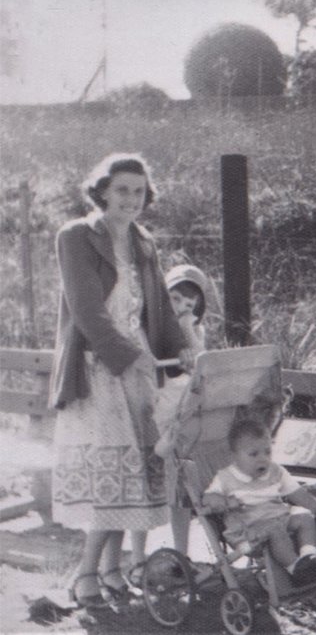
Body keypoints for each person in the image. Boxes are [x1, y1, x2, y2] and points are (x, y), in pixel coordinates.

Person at [49, 153, 195, 608]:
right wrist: (129, 358)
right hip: (97, 367)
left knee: (131, 475)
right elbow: (87, 311)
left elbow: (160, 310)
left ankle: (112, 572)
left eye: (138, 191)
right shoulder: (76, 236)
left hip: (139, 367)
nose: (131, 199)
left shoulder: (143, 241)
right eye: (122, 190)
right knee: (112, 473)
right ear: (103, 192)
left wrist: (181, 345)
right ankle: (85, 575)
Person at [128, 263, 212, 586]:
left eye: (190, 305)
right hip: (149, 413)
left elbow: (200, 366)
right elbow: (142, 362)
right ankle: (137, 560)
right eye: (176, 298)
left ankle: (181, 555)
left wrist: (188, 329)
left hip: (178, 418)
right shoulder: (144, 326)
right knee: (145, 486)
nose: (181, 308)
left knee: (179, 491)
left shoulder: (194, 331)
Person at [203, 419, 316, 586]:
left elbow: (300, 495)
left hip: (279, 518)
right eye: (253, 454)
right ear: (234, 456)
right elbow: (208, 499)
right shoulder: (226, 478)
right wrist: (224, 501)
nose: (263, 459)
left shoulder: (276, 472)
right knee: (275, 529)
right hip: (248, 531)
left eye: (267, 452)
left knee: (305, 517)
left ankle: (309, 557)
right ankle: (295, 568)